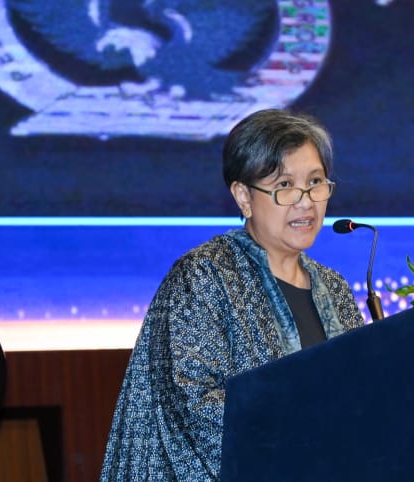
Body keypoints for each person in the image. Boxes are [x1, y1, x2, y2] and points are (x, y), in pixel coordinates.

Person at [100, 109, 365, 481]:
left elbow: (359, 391)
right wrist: (306, 431)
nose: (305, 201)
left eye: (316, 182)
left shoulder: (333, 288)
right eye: (285, 184)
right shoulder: (203, 276)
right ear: (243, 196)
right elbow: (194, 407)